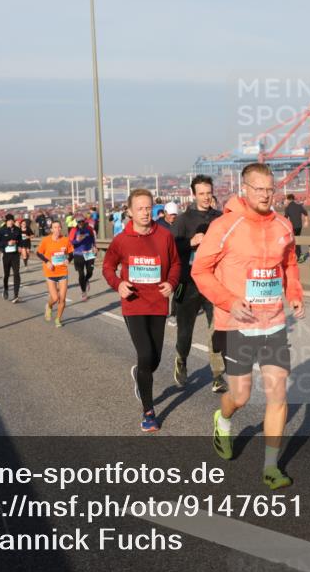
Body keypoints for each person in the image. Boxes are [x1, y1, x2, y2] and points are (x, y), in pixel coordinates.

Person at [193, 163, 305, 489]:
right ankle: (223, 418)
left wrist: (294, 293)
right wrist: (228, 301)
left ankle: (271, 467)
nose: (266, 195)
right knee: (240, 396)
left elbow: (290, 263)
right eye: (259, 189)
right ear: (244, 189)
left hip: (273, 322)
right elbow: (201, 270)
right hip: (237, 323)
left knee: (277, 395)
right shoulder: (225, 225)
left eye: (270, 189)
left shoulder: (283, 225)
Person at [102, 189, 180, 432]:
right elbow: (107, 266)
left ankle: (140, 374)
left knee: (154, 359)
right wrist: (118, 284)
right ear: (129, 211)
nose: (145, 213)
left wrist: (171, 283)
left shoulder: (164, 236)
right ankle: (148, 412)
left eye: (148, 208)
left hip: (158, 304)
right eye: (140, 209)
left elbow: (176, 263)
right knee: (145, 353)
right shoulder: (121, 240)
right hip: (133, 304)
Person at [171, 175, 226, 392]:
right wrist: (189, 242)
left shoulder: (220, 219)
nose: (205, 197)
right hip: (188, 283)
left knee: (217, 330)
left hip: (214, 282)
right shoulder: (183, 220)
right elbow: (172, 249)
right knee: (185, 332)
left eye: (208, 192)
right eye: (201, 193)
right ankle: (181, 359)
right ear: (193, 195)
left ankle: (217, 375)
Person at [37, 220, 74, 328]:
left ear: (60, 228)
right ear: (51, 229)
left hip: (62, 271)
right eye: (55, 227)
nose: (57, 229)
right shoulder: (46, 240)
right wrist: (47, 261)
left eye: (58, 227)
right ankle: (48, 306)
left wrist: (69, 260)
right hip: (50, 272)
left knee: (62, 299)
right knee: (55, 298)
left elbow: (71, 252)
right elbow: (39, 253)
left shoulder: (65, 240)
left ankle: (58, 318)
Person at [0, 213, 23, 303]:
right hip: (5, 255)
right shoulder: (1, 230)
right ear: (6, 221)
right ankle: (5, 289)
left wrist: (20, 246)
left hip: (15, 255)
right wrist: (7, 244)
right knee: (6, 274)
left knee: (16, 273)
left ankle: (16, 295)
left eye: (11, 221)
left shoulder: (18, 230)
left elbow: (21, 240)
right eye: (8, 221)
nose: (10, 222)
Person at [69, 216, 97, 301]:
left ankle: (86, 280)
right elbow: (70, 241)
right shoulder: (74, 230)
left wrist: (95, 247)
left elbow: (93, 239)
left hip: (89, 253)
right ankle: (83, 291)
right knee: (81, 274)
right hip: (78, 254)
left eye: (81, 221)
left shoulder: (89, 229)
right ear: (76, 223)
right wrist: (77, 240)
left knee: (90, 272)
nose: (80, 223)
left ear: (84, 222)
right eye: (78, 222)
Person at [283, 194, 309, 263]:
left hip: (293, 227)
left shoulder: (287, 208)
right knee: (297, 240)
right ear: (293, 199)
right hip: (299, 226)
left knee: (293, 241)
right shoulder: (299, 206)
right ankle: (299, 255)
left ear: (288, 200)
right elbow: (306, 213)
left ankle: (298, 255)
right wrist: (306, 222)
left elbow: (285, 218)